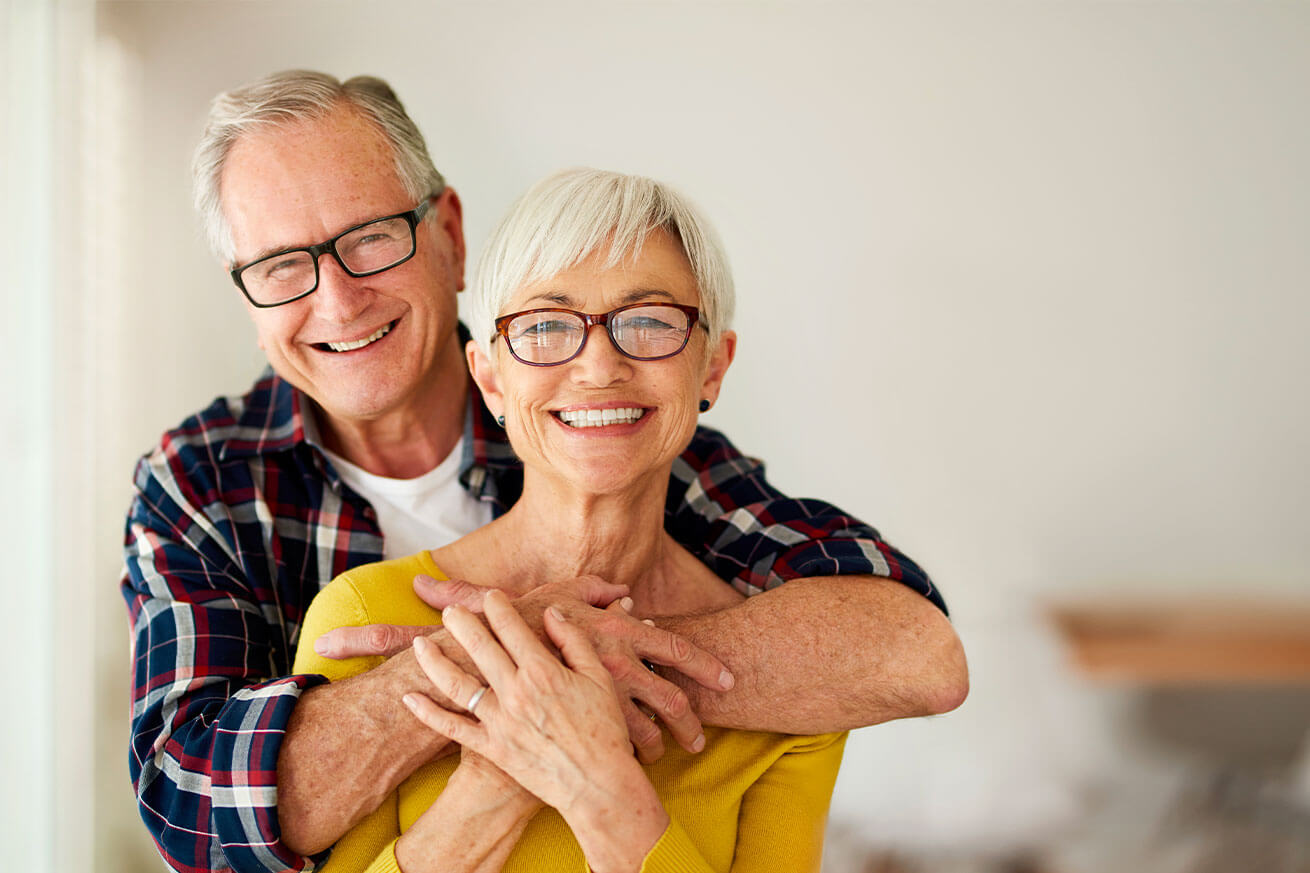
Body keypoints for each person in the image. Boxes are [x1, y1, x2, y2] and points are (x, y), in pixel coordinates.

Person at [121, 69, 966, 873]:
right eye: (281, 265)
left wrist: (571, 671)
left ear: (448, 233)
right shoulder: (206, 483)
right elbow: (193, 809)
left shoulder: (620, 435)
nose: (339, 301)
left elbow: (911, 648)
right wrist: (497, 674)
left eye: (371, 238)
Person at [292, 167, 849, 872]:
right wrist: (505, 771)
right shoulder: (364, 616)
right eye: (546, 326)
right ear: (491, 378)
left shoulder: (796, 694)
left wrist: (598, 786)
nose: (597, 366)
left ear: (712, 367)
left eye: (648, 321)